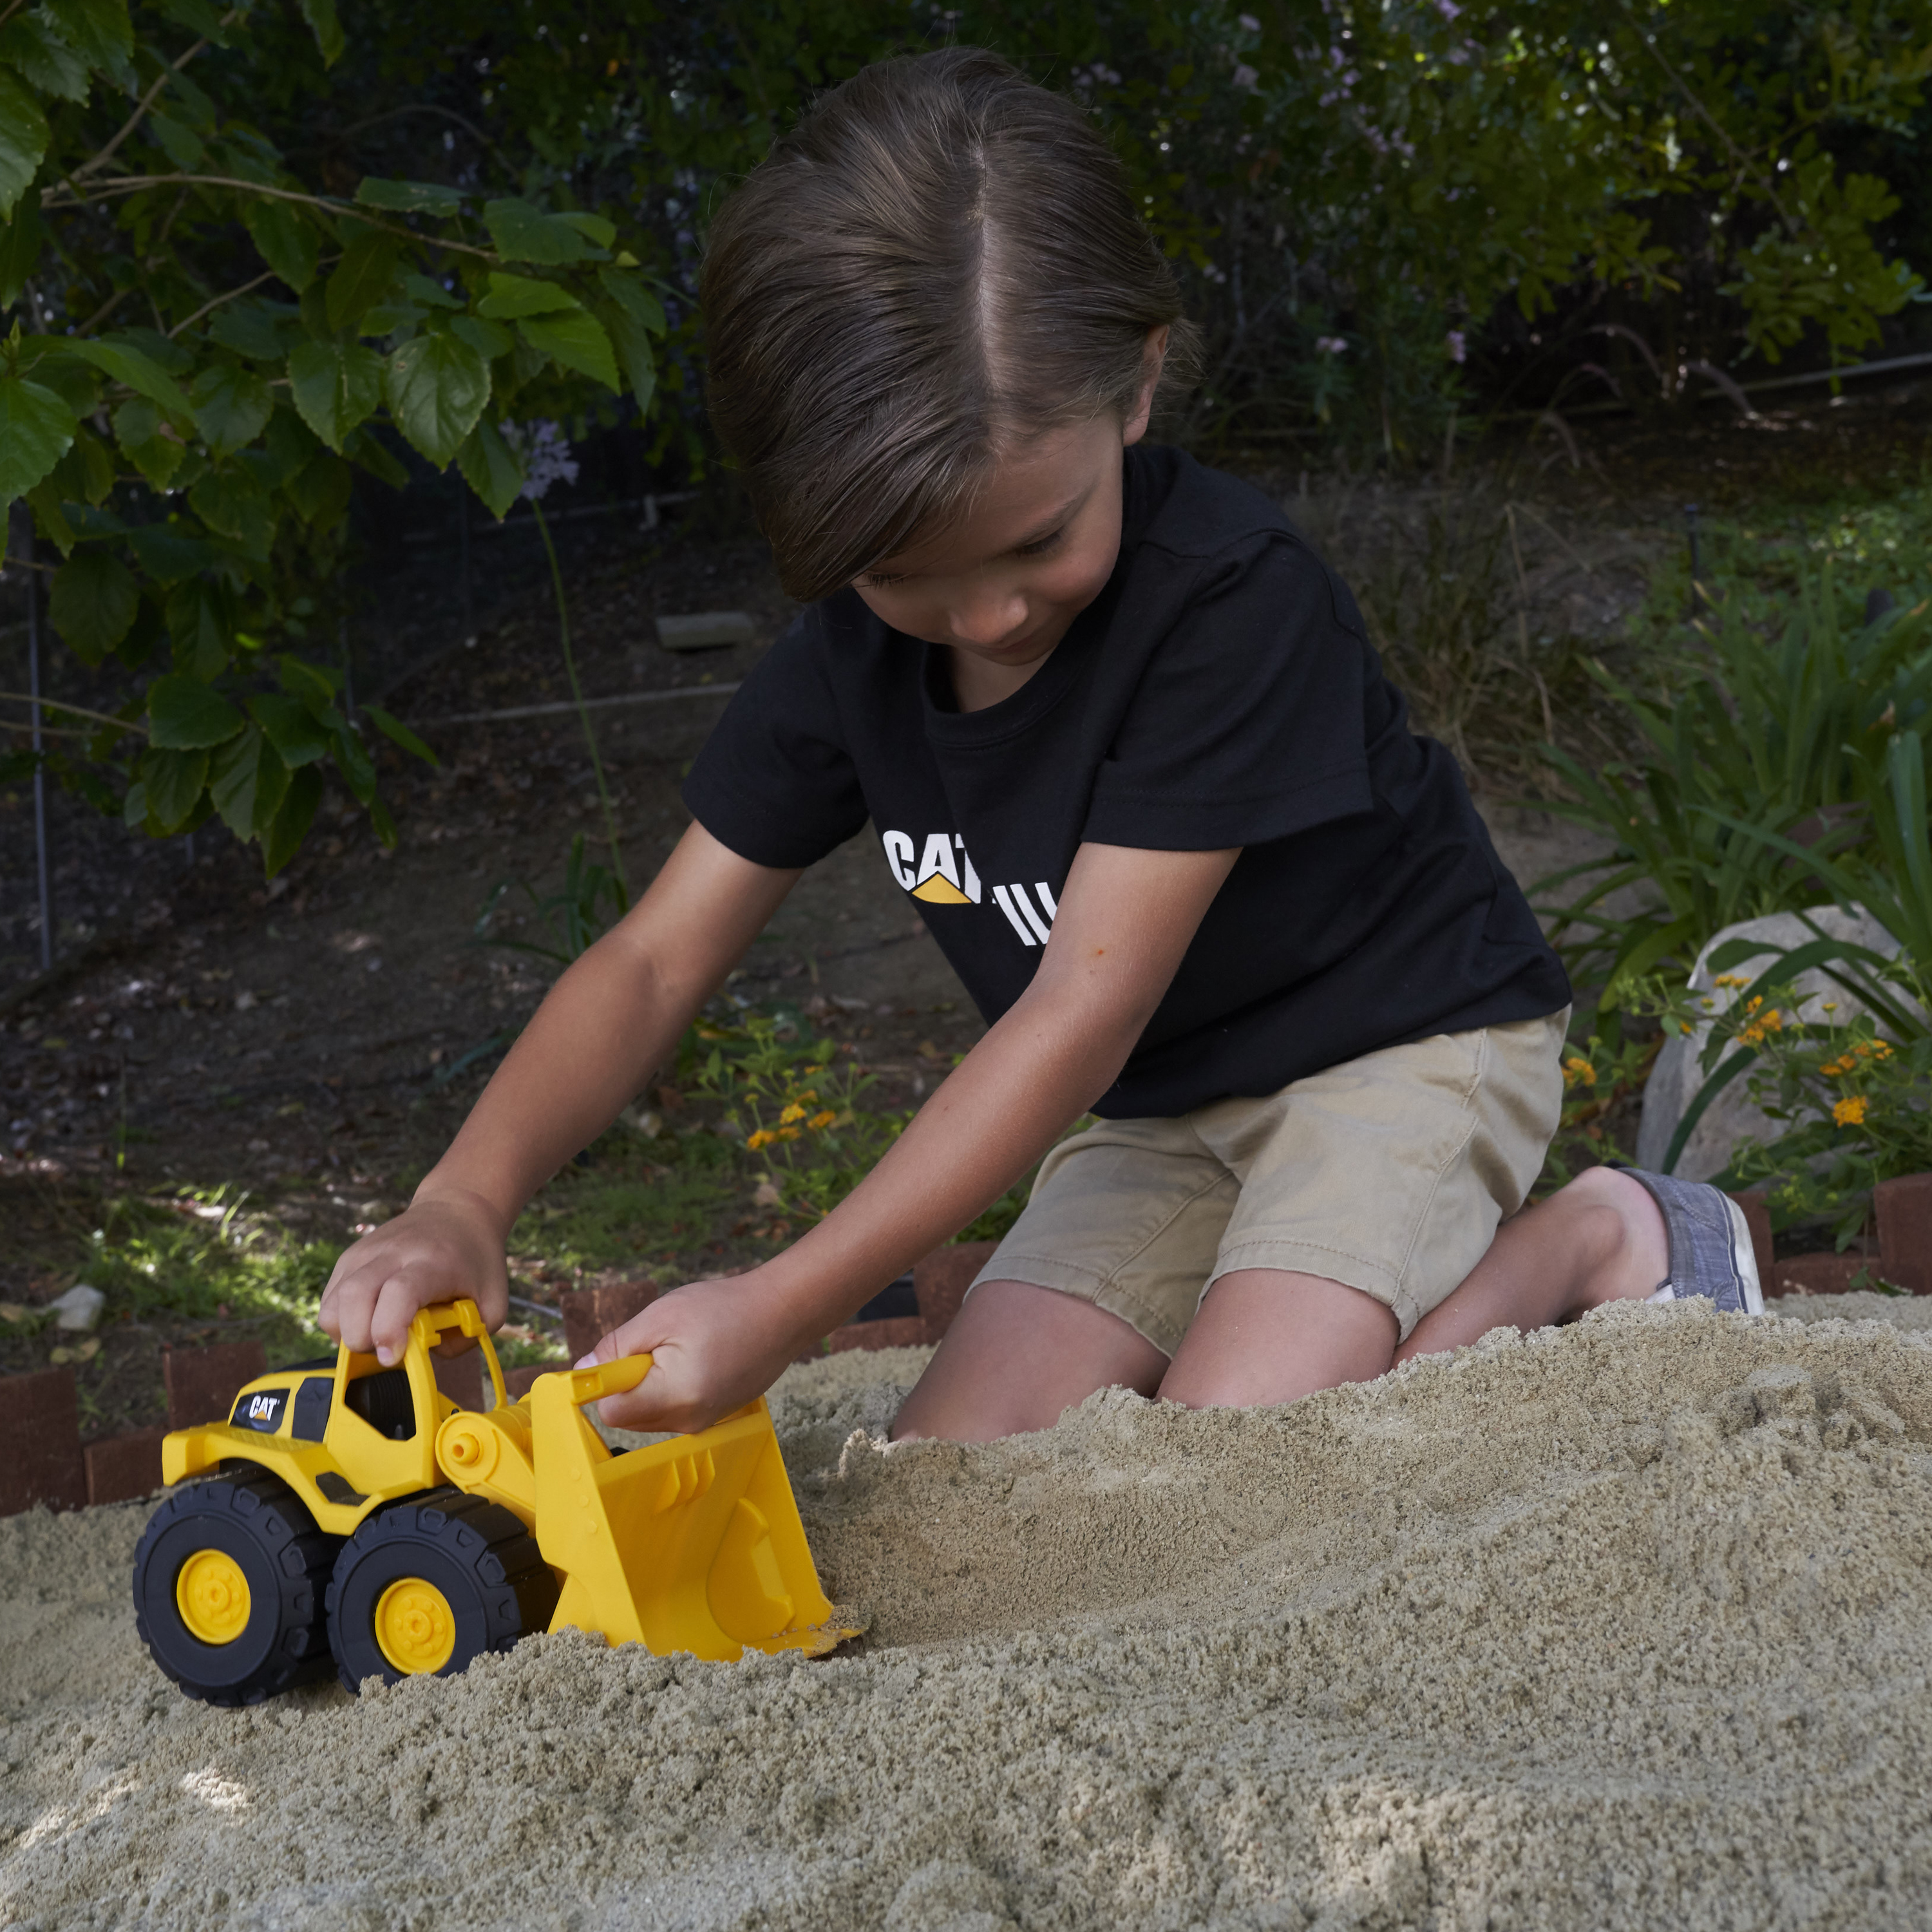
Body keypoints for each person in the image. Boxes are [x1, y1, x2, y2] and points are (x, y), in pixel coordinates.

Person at [318, 48, 1761, 1444]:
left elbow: (1079, 1010)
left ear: (1137, 387)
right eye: (906, 574)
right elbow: (650, 960)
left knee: (1248, 1447)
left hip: (1400, 1051)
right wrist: (467, 1194)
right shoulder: (850, 659)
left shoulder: (1230, 603)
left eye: (1038, 538)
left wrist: (781, 1305)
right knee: (957, 1462)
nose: (988, 613)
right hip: (1160, 1115)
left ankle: (1595, 1237)